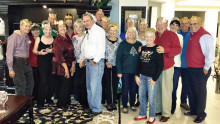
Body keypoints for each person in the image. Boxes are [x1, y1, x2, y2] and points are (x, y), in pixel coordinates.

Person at [184, 16, 214, 123]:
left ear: (200, 23)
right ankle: (193, 110)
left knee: (200, 93)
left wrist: (206, 67)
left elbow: (210, 54)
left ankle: (201, 114)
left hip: (201, 69)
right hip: (191, 68)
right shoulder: (192, 34)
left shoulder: (205, 35)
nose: (192, 26)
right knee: (192, 91)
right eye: (191, 24)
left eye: (195, 23)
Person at [154, 17, 181, 122]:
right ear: (156, 25)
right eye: (158, 24)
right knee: (157, 90)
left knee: (166, 91)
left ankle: (166, 113)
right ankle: (158, 109)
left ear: (166, 26)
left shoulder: (172, 35)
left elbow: (178, 49)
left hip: (167, 67)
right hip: (156, 68)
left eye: (162, 24)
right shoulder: (154, 35)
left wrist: (166, 50)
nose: (160, 26)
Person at [134, 29, 163, 124]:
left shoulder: (158, 49)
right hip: (141, 76)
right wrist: (136, 75)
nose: (149, 39)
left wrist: (154, 79)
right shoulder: (142, 48)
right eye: (147, 37)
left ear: (154, 38)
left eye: (151, 37)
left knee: (151, 98)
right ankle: (142, 114)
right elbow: (138, 63)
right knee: (141, 96)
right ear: (144, 37)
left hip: (152, 78)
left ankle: (151, 116)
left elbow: (160, 66)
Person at [82, 12, 105, 115]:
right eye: (84, 21)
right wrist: (84, 59)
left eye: (87, 20)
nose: (86, 23)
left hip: (96, 62)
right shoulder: (89, 31)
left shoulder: (99, 31)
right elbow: (88, 47)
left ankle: (97, 108)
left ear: (93, 20)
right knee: (90, 87)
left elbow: (102, 47)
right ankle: (92, 106)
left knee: (95, 86)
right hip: (89, 62)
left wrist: (95, 60)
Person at [116, 26, 142, 113]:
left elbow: (142, 58)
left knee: (133, 89)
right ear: (127, 33)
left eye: (133, 32)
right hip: (125, 71)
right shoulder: (122, 44)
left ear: (135, 33)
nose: (131, 34)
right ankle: (124, 105)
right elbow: (118, 58)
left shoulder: (139, 44)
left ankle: (132, 104)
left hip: (135, 71)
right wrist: (119, 71)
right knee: (125, 88)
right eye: (129, 32)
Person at [6, 19, 34, 96]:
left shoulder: (27, 37)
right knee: (21, 86)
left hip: (26, 62)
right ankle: (20, 107)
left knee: (30, 84)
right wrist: (10, 69)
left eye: (29, 26)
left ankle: (27, 105)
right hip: (17, 62)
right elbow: (9, 53)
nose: (28, 28)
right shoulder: (14, 37)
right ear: (20, 26)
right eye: (26, 26)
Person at [53, 20, 76, 109]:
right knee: (64, 85)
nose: (62, 28)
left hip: (70, 65)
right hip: (62, 66)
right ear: (57, 29)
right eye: (60, 27)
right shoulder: (57, 40)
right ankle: (61, 104)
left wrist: (73, 66)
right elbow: (59, 56)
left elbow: (72, 53)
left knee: (68, 85)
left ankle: (66, 101)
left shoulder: (68, 38)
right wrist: (66, 69)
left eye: (64, 27)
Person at [169, 19, 189, 114]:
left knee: (173, 88)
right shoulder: (165, 35)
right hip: (165, 65)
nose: (174, 26)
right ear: (169, 25)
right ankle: (164, 107)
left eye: (176, 25)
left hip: (176, 65)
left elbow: (178, 50)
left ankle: (172, 108)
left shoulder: (180, 36)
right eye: (172, 24)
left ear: (178, 27)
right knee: (165, 88)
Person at [33, 20, 54, 107]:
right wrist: (40, 53)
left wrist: (52, 50)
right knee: (43, 81)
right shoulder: (39, 38)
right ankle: (40, 101)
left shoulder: (54, 38)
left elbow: (57, 51)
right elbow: (34, 50)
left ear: (51, 30)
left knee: (51, 81)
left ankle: (48, 99)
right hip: (42, 62)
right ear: (43, 29)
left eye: (49, 29)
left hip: (52, 62)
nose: (48, 31)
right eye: (46, 29)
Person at [104, 23, 121, 111]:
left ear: (116, 31)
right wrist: (106, 62)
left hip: (116, 66)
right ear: (108, 31)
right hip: (107, 65)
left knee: (114, 84)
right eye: (110, 30)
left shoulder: (119, 41)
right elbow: (102, 52)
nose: (112, 32)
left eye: (114, 30)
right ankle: (109, 103)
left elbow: (121, 54)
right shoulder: (104, 40)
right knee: (108, 84)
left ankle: (114, 102)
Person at [72, 19, 88, 108]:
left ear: (83, 27)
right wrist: (74, 64)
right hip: (77, 63)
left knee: (83, 83)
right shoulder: (74, 38)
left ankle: (84, 103)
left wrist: (84, 60)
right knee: (77, 83)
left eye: (80, 27)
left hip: (85, 63)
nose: (78, 28)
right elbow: (73, 52)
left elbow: (89, 50)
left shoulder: (87, 36)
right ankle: (80, 101)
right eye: (76, 27)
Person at [29, 23, 40, 100]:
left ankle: (39, 97)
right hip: (31, 64)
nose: (36, 31)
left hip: (41, 64)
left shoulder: (42, 38)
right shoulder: (28, 39)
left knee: (40, 82)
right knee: (33, 82)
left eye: (37, 30)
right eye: (34, 30)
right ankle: (33, 97)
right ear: (31, 31)